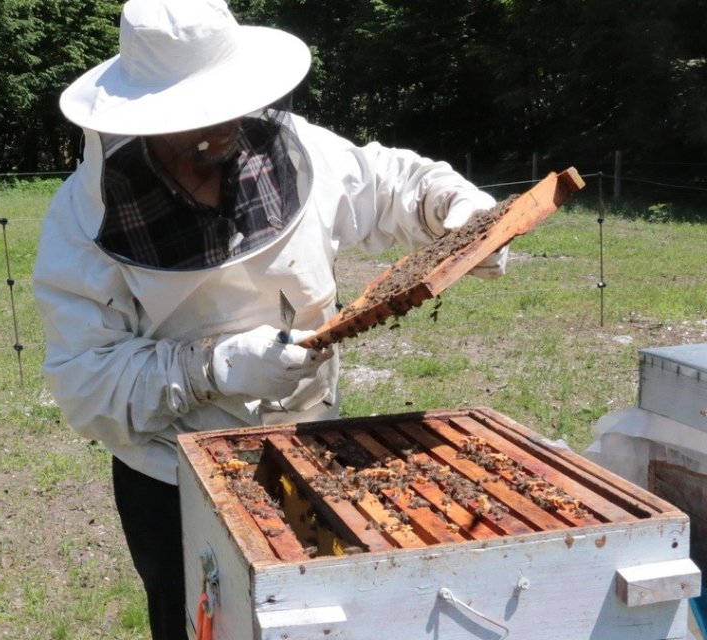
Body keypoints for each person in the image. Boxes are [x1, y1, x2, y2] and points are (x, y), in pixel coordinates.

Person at [32, 0, 506, 637]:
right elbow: (85, 384)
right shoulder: (81, 220)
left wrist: (456, 210)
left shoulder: (294, 149)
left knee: (314, 622)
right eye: (197, 116)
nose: (221, 126)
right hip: (174, 477)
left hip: (315, 446)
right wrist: (215, 368)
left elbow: (391, 182)